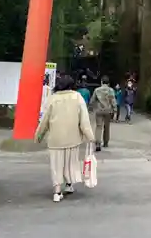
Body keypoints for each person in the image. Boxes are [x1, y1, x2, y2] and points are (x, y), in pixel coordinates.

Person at [35, 74, 95, 203]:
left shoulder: (52, 99)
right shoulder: (77, 97)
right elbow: (84, 121)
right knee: (70, 163)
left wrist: (38, 136)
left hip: (55, 139)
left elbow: (44, 120)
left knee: (56, 165)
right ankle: (69, 185)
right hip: (72, 138)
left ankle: (57, 192)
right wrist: (90, 136)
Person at [90, 75, 117, 152]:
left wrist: (90, 107)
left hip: (99, 110)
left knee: (99, 126)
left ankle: (98, 143)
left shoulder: (97, 90)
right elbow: (113, 101)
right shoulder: (111, 90)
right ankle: (105, 142)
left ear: (101, 82)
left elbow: (92, 100)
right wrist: (115, 110)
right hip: (108, 111)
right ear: (108, 83)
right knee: (107, 127)